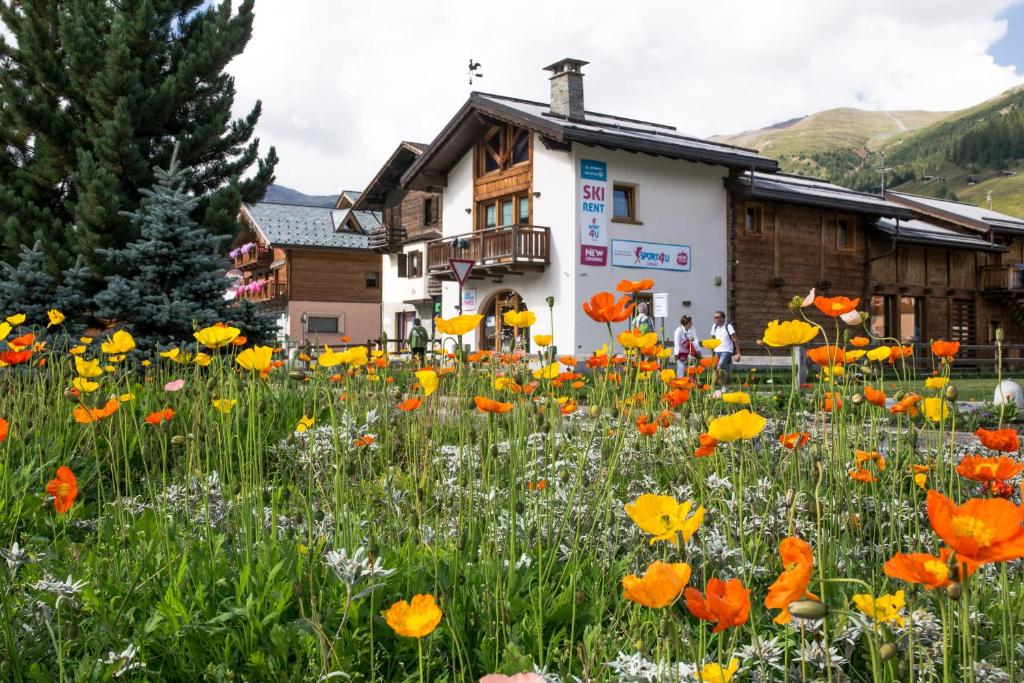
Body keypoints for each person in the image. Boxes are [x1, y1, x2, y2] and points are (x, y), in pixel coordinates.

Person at [710, 311, 741, 386]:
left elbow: (735, 339)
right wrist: (712, 353)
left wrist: (738, 353)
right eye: (715, 317)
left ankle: (713, 386)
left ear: (723, 318)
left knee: (720, 366)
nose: (715, 319)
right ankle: (724, 386)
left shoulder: (728, 326)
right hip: (717, 351)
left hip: (727, 351)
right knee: (721, 369)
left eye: (717, 317)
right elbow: (713, 340)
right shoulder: (714, 327)